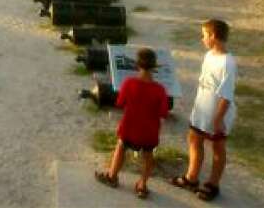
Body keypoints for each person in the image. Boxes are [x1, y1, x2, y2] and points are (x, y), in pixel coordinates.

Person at [171, 18, 237, 202]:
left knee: (217, 147)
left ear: (213, 36)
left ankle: (213, 184)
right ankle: (191, 178)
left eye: (204, 35)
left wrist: (218, 118)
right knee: (194, 139)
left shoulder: (228, 63)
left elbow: (227, 95)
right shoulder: (209, 56)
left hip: (216, 114)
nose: (202, 39)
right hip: (202, 110)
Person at [94, 47, 170, 200]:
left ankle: (112, 176)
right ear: (154, 66)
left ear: (137, 65)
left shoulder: (129, 83)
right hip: (149, 131)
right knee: (148, 155)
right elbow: (163, 113)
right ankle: (142, 185)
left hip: (130, 127)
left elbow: (120, 103)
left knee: (121, 147)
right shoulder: (160, 89)